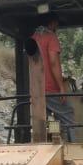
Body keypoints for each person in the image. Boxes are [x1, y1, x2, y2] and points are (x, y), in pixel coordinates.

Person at [30, 13, 74, 141]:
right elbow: (53, 62)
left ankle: (50, 144)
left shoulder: (33, 37)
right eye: (57, 23)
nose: (57, 26)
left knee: (49, 120)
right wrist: (61, 87)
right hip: (50, 89)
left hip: (36, 90)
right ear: (52, 23)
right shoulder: (51, 37)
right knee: (69, 116)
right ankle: (76, 147)